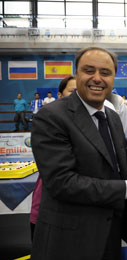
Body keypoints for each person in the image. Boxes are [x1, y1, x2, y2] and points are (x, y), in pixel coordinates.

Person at [30, 46, 127, 260]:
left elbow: (122, 159)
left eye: (105, 72)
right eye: (89, 70)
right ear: (77, 72)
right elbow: (62, 182)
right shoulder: (51, 117)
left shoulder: (111, 115)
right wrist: (126, 189)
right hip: (68, 239)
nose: (97, 78)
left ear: (113, 78)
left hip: (109, 232)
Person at [30, 75, 77, 240]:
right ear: (59, 95)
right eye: (72, 91)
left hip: (78, 215)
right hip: (47, 211)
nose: (76, 96)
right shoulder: (47, 120)